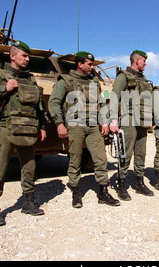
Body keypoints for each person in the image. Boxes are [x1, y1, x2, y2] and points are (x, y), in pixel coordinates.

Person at [0, 40, 47, 226]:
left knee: (29, 167)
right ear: (12, 56)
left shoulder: (30, 79)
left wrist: (42, 127)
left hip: (28, 128)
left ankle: (29, 202)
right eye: (24, 55)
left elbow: (39, 107)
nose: (27, 59)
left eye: (28, 56)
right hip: (5, 127)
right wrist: (3, 89)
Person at [48, 51, 120, 208]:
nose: (92, 67)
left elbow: (101, 104)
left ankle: (103, 192)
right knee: (75, 159)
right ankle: (75, 192)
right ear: (79, 64)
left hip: (93, 126)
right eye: (89, 64)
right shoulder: (65, 81)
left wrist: (106, 122)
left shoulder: (94, 82)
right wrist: (59, 123)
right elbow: (54, 102)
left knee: (101, 159)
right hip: (75, 126)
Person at [109, 50, 154, 200]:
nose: (145, 63)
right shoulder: (123, 76)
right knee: (126, 153)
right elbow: (114, 97)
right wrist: (114, 120)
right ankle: (121, 184)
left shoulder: (144, 79)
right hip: (128, 119)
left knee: (141, 153)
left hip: (142, 120)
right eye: (144, 61)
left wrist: (150, 118)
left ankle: (139, 183)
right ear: (136, 61)